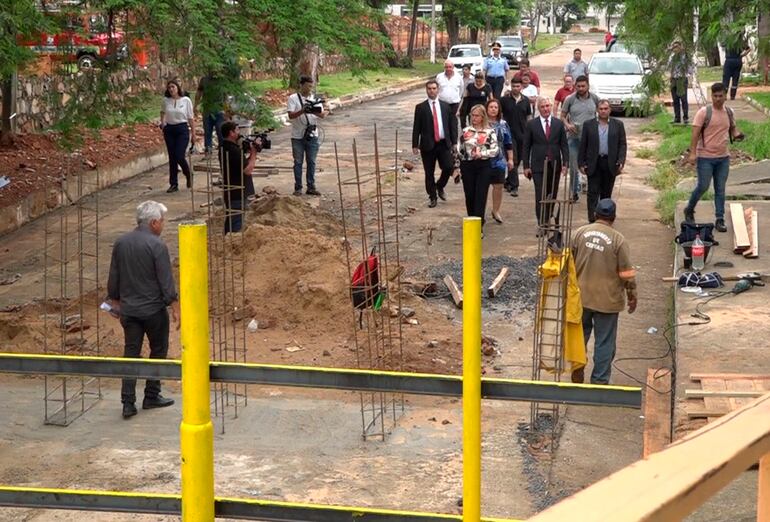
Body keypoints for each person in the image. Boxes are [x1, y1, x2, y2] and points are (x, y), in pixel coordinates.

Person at [107, 201, 179, 419]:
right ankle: (151, 394)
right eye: (162, 221)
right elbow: (166, 282)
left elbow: (114, 277)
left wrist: (115, 300)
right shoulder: (157, 246)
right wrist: (175, 306)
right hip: (153, 311)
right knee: (157, 351)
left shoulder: (121, 242)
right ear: (154, 222)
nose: (163, 225)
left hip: (129, 311)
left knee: (131, 354)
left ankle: (128, 402)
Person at [570, 198, 637, 385]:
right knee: (604, 342)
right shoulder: (618, 240)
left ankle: (577, 371)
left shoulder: (579, 234)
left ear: (595, 214)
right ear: (613, 218)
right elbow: (627, 274)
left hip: (580, 298)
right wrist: (632, 296)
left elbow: (568, 264)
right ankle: (599, 381)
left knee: (579, 337)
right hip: (607, 301)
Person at [684, 83, 744, 232]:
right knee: (703, 186)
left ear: (725, 95)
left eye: (720, 96)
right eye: (715, 96)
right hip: (705, 157)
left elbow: (733, 129)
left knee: (720, 189)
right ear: (711, 96)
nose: (718, 99)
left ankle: (719, 219)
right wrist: (693, 153)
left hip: (723, 157)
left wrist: (737, 135)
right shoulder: (704, 112)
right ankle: (689, 209)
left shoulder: (729, 112)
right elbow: (695, 134)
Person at [523, 96, 569, 236]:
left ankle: (548, 218)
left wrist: (566, 163)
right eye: (542, 107)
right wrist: (526, 165)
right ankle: (541, 224)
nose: (546, 109)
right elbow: (526, 146)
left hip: (554, 164)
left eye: (548, 106)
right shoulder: (532, 124)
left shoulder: (558, 124)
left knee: (552, 194)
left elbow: (564, 145)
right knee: (540, 194)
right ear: (538, 109)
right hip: (538, 165)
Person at [578, 99, 627, 223]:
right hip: (594, 163)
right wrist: (581, 163)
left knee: (606, 193)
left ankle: (605, 219)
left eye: (606, 109)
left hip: (610, 163)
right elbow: (583, 145)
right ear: (597, 110)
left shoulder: (618, 125)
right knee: (592, 193)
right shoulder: (589, 125)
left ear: (610, 110)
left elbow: (622, 144)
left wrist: (621, 161)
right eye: (601, 109)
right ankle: (592, 220)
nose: (603, 111)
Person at [412, 80, 458, 208]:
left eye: (434, 88)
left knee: (448, 167)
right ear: (426, 90)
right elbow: (417, 127)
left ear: (438, 90)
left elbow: (451, 125)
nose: (432, 91)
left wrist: (454, 142)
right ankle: (432, 196)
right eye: (429, 89)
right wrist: (415, 144)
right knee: (429, 172)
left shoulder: (445, 106)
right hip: (428, 144)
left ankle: (440, 186)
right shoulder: (420, 107)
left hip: (443, 143)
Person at [459, 104, 499, 230]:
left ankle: (479, 225)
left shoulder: (489, 132)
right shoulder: (466, 131)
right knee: (469, 194)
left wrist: (482, 154)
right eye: (472, 115)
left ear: (482, 117)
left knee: (480, 195)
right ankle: (471, 220)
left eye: (477, 116)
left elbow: (495, 149)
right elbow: (459, 149)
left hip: (483, 165)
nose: (474, 118)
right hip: (468, 165)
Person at [561, 75, 599, 202]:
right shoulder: (570, 99)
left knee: (592, 166)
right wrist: (567, 125)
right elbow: (562, 115)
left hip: (591, 139)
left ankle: (592, 191)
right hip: (574, 138)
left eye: (583, 86)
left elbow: (603, 112)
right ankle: (574, 192)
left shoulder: (594, 98)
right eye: (578, 86)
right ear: (575, 86)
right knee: (573, 166)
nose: (581, 88)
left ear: (588, 86)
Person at [287, 76, 327, 196]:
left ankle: (311, 186)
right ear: (302, 85)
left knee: (311, 161)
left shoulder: (315, 98)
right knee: (298, 162)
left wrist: (312, 110)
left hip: (312, 134)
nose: (310, 88)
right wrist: (302, 110)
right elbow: (291, 115)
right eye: (308, 86)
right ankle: (298, 187)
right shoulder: (293, 98)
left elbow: (322, 115)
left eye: (311, 86)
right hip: (297, 135)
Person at [219, 121, 258, 233]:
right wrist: (254, 154)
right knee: (236, 225)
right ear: (231, 133)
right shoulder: (233, 150)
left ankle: (227, 244)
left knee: (231, 222)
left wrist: (251, 154)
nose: (239, 133)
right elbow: (248, 170)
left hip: (232, 191)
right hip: (237, 192)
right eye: (237, 130)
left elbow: (243, 164)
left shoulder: (225, 147)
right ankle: (232, 247)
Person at [160, 80, 194, 193]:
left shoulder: (186, 100)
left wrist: (193, 133)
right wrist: (163, 123)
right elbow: (162, 112)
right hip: (170, 129)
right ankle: (173, 183)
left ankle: (188, 173)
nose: (171, 89)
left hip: (182, 129)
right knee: (172, 157)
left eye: (173, 87)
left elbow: (190, 117)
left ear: (178, 88)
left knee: (179, 155)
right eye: (169, 87)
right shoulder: (166, 101)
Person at [500, 77, 532, 197]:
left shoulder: (526, 101)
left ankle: (508, 181)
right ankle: (514, 186)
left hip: (523, 134)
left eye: (518, 86)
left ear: (521, 87)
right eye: (513, 86)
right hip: (509, 134)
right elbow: (500, 116)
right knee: (513, 159)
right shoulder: (504, 100)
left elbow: (529, 117)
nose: (515, 88)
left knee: (519, 160)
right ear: (511, 86)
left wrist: (530, 132)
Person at [486, 99, 514, 223]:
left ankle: (496, 210)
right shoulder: (482, 123)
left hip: (499, 159)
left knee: (498, 186)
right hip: (484, 159)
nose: (493, 109)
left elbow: (508, 143)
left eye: (495, 107)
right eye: (491, 107)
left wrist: (511, 159)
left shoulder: (503, 124)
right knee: (482, 187)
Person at [194, 74, 226, 155]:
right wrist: (195, 105)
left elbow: (226, 95)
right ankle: (208, 152)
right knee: (208, 132)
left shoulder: (223, 79)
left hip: (220, 110)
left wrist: (226, 109)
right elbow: (199, 92)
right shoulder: (204, 80)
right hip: (207, 110)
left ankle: (222, 153)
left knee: (220, 131)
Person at [668, 40, 694, 124]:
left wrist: (688, 76)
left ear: (681, 47)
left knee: (683, 99)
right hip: (674, 79)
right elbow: (668, 67)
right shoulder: (672, 57)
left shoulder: (685, 56)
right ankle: (677, 118)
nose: (675, 49)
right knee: (675, 100)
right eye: (674, 47)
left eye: (677, 47)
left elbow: (690, 68)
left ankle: (685, 117)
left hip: (682, 79)